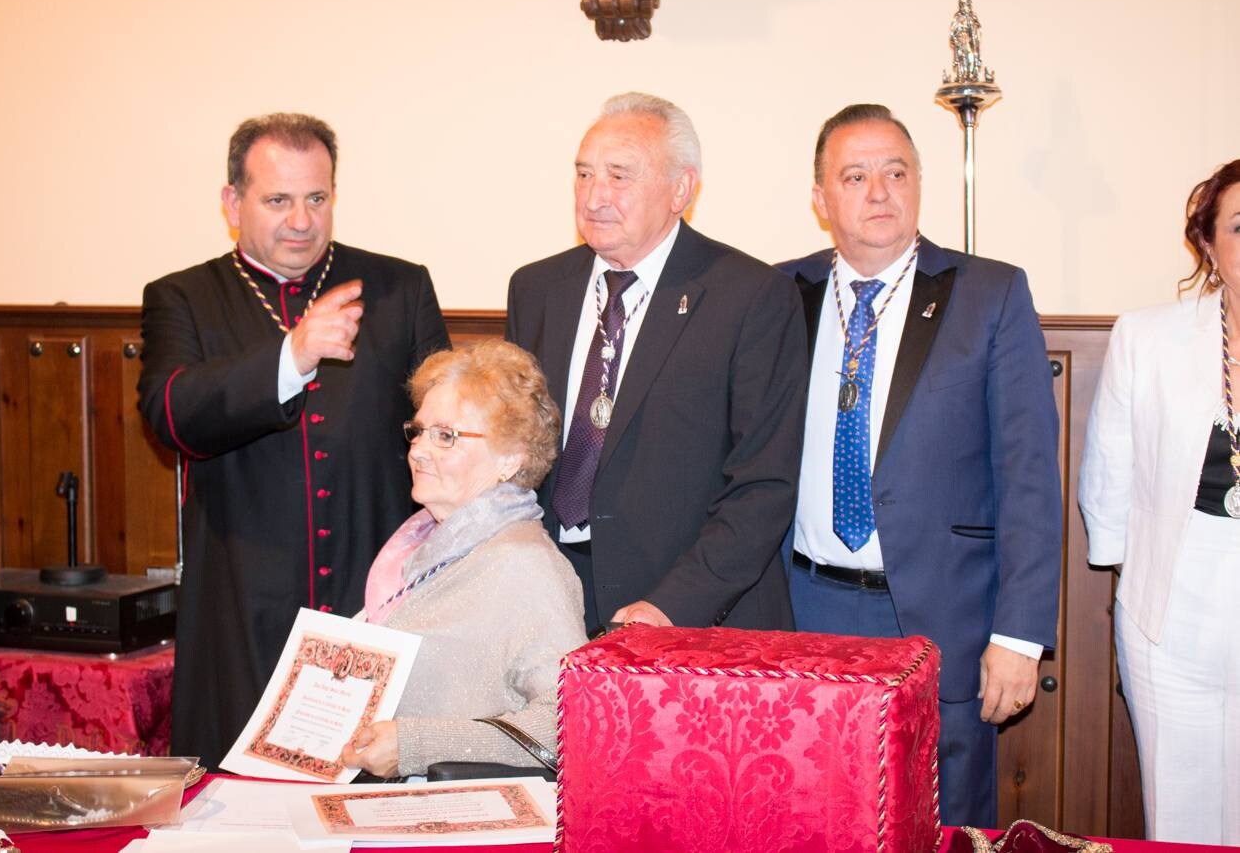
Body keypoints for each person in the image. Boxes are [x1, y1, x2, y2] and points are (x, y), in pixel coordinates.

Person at [778, 103, 1061, 828]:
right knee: (811, 815)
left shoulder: (990, 293)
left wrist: (1019, 635)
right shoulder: (775, 296)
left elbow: (1029, 475)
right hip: (801, 609)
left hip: (942, 619)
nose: (879, 191)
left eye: (896, 172)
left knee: (939, 823)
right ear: (819, 200)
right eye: (856, 175)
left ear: (919, 185)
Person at [138, 113, 449, 769]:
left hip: (375, 609)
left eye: (317, 198)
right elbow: (171, 413)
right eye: (278, 200)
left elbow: (447, 425)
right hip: (243, 612)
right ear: (232, 203)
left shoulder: (399, 288)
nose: (302, 220)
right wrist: (292, 355)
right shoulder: (183, 298)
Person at [506, 92, 806, 635]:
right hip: (550, 598)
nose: (595, 196)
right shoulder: (537, 289)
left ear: (681, 189)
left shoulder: (749, 296)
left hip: (688, 611)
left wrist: (674, 604)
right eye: (583, 174)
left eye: (620, 176)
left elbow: (764, 484)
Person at [1079, 159, 1240, 844]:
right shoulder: (1147, 337)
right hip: (1170, 618)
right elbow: (1107, 471)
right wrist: (1121, 576)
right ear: (1207, 243)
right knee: (1184, 821)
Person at [341, 340, 585, 777]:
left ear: (510, 458)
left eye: (446, 436)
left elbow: (568, 722)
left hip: (466, 819)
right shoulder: (419, 546)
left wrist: (414, 745)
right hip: (392, 805)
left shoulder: (524, 563)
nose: (417, 450)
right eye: (417, 431)